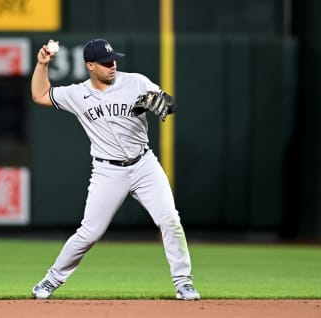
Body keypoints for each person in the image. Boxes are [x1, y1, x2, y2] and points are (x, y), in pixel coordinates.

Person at [30, 38, 200, 301]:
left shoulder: (136, 82)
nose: (112, 65)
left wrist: (162, 103)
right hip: (107, 172)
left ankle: (183, 282)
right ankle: (50, 280)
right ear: (90, 65)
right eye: (106, 62)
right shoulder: (77, 94)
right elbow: (40, 95)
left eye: (114, 60)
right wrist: (42, 65)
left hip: (144, 165)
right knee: (90, 232)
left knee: (170, 220)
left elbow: (170, 104)